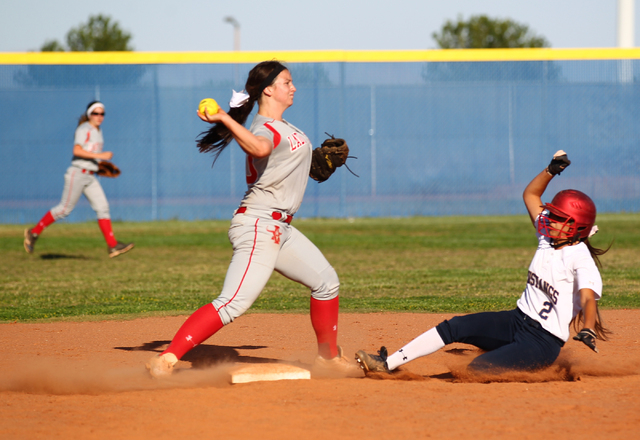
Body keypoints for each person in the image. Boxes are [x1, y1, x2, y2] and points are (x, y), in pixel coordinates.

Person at [146, 61, 360, 378]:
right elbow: (260, 148)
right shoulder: (263, 129)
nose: (293, 87)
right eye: (287, 82)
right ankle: (166, 359)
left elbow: (285, 162)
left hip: (280, 227)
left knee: (326, 283)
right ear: (269, 89)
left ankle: (328, 358)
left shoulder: (286, 127)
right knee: (232, 302)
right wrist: (221, 117)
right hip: (259, 225)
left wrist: (314, 164)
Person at [355, 151, 611, 375]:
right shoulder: (548, 238)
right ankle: (387, 364)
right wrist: (550, 171)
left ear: (576, 228)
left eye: (559, 217)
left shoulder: (580, 258)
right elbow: (531, 194)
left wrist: (588, 328)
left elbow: (588, 299)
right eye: (553, 213)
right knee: (453, 327)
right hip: (516, 321)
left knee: (476, 370)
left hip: (542, 343)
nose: (550, 219)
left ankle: (522, 363)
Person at [23, 101, 134, 258]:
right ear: (89, 114)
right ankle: (33, 233)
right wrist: (100, 156)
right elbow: (77, 150)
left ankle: (112, 245)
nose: (99, 116)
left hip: (90, 175)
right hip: (77, 174)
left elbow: (89, 153)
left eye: (102, 113)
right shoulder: (84, 129)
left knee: (103, 207)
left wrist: (99, 165)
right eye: (96, 113)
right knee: (64, 209)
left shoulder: (98, 130)